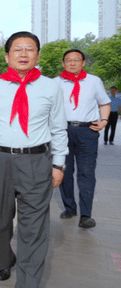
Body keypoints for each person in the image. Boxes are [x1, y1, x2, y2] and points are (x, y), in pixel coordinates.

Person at [0, 31, 68, 287]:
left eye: (29, 49)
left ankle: (28, 282)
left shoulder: (50, 87)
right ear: (7, 55)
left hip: (36, 162)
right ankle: (4, 259)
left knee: (34, 228)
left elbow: (58, 128)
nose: (23, 54)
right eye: (17, 49)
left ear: (37, 55)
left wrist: (59, 163)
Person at [54, 49, 110, 229]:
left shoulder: (94, 81)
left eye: (76, 60)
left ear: (83, 63)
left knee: (86, 173)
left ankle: (86, 215)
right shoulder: (55, 83)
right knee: (65, 171)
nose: (72, 63)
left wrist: (104, 121)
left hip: (87, 131)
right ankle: (69, 207)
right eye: (68, 60)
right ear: (63, 63)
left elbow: (104, 103)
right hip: (63, 131)